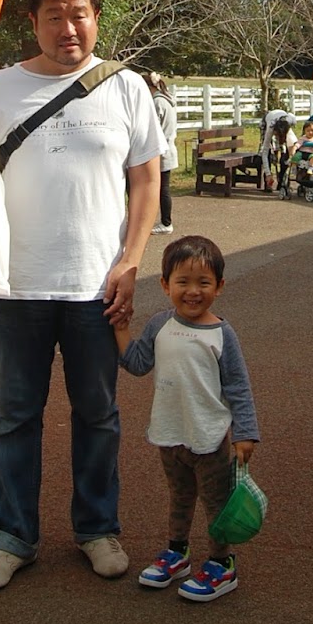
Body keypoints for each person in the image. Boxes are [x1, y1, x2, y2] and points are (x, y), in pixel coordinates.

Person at [0, 0, 164, 592]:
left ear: (96, 18)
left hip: (97, 284)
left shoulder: (126, 87)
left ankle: (97, 529)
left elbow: (146, 179)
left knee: (98, 414)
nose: (69, 28)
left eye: (79, 14)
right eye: (55, 16)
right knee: (15, 417)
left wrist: (131, 260)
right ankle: (12, 538)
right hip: (18, 283)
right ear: (32, 22)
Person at [113, 234, 260, 602]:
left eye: (203, 283)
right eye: (182, 282)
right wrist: (120, 329)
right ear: (165, 285)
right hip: (170, 433)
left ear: (219, 286)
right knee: (179, 496)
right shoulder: (159, 325)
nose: (193, 292)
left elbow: (238, 387)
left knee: (216, 503)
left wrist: (245, 432)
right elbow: (137, 363)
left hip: (209, 437)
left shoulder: (222, 334)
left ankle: (222, 563)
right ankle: (177, 552)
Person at [145, 71, 178, 233]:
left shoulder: (157, 102)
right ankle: (165, 222)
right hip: (169, 148)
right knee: (163, 188)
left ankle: (165, 223)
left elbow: (153, 128)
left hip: (160, 151)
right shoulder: (168, 99)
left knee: (160, 189)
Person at [259, 107, 298, 190]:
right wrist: (268, 173)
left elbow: (295, 144)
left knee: (286, 153)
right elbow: (264, 152)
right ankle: (267, 181)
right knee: (269, 152)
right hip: (267, 121)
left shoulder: (291, 121)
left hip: (283, 121)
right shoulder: (270, 128)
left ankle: (282, 179)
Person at [292, 119, 313, 186]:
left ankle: (310, 169)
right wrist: (295, 148)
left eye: (312, 130)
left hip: (312, 153)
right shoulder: (303, 138)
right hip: (302, 153)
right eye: (308, 131)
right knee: (295, 156)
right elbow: (298, 144)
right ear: (304, 132)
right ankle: (294, 167)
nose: (310, 132)